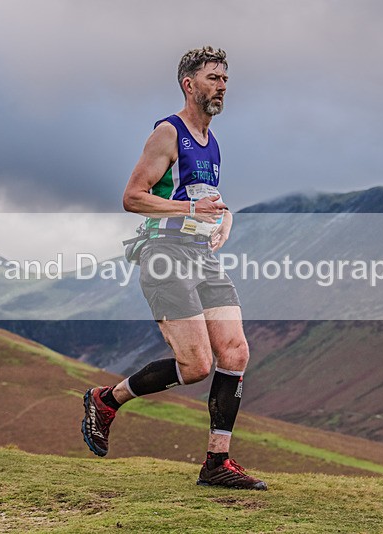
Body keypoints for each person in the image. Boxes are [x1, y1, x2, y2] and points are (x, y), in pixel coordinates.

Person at [81, 46, 267, 491]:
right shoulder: (168, 133)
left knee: (235, 352)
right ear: (189, 84)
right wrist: (191, 209)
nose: (222, 85)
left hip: (201, 257)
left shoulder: (213, 142)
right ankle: (107, 400)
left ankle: (217, 463)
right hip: (164, 252)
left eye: (225, 78)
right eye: (212, 78)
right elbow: (132, 197)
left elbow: (206, 199)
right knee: (197, 364)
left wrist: (225, 216)